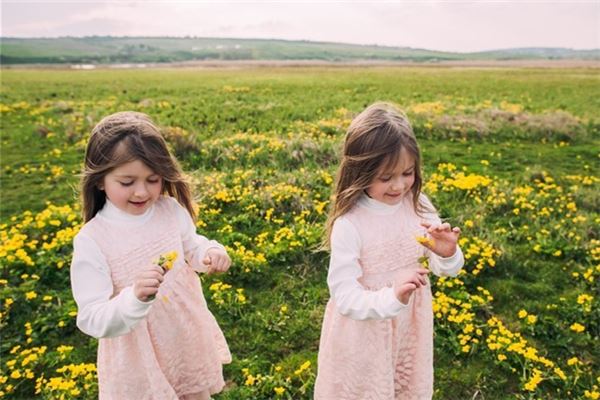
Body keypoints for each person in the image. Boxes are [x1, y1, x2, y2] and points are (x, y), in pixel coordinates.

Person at [70, 111, 231, 400]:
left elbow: (191, 246)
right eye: (127, 182)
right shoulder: (93, 240)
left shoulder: (169, 210)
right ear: (99, 181)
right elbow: (92, 317)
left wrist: (210, 253)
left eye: (153, 179)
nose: (142, 192)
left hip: (183, 340)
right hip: (138, 358)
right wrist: (134, 298)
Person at [314, 102, 465, 400]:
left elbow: (445, 268)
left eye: (407, 173)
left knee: (404, 388)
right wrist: (391, 297)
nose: (399, 186)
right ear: (359, 172)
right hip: (363, 334)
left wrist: (447, 254)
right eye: (386, 177)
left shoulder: (418, 205)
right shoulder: (351, 223)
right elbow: (344, 296)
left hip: (409, 328)